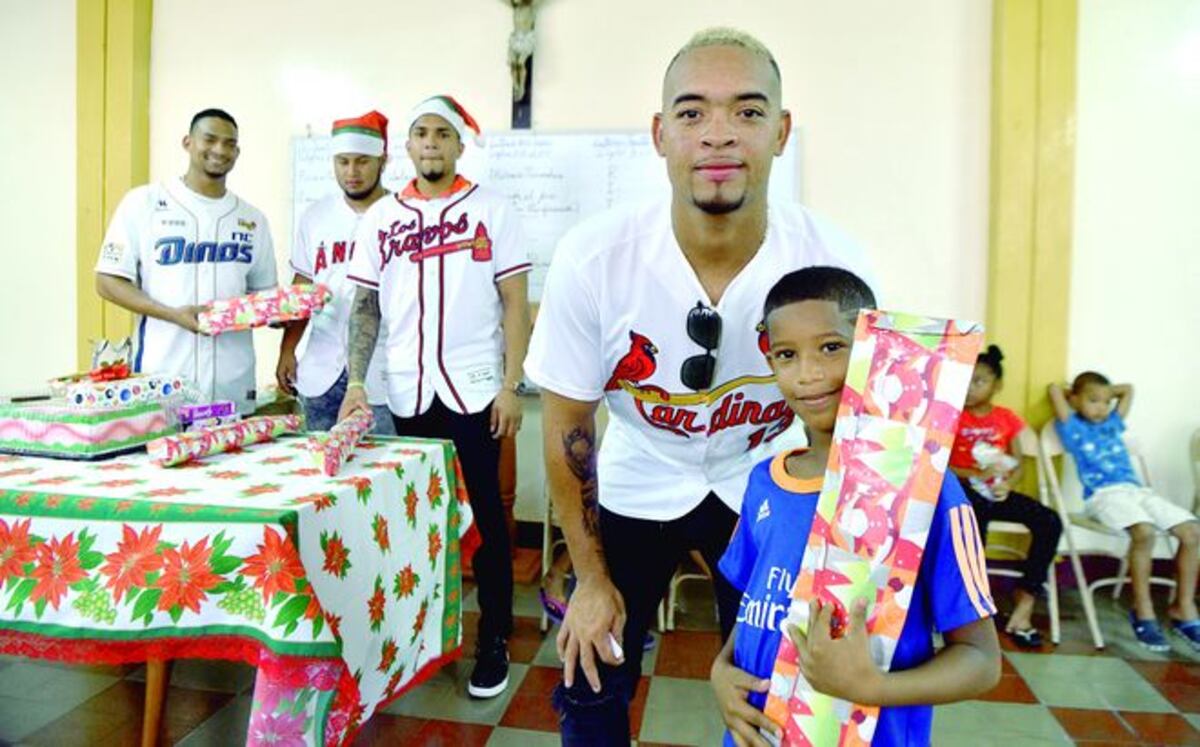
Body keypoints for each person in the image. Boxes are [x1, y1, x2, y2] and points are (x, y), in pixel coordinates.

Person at [524, 28, 870, 742]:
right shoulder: (594, 257)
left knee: (775, 687)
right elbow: (569, 426)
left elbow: (862, 429)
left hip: (765, 475)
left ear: (781, 131)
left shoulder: (834, 261)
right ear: (659, 134)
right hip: (639, 471)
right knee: (591, 671)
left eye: (746, 112)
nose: (718, 135)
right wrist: (589, 578)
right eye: (692, 113)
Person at [710, 266, 1000, 747]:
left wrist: (871, 687)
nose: (809, 374)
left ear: (873, 348)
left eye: (830, 347)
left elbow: (982, 662)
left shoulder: (927, 488)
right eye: (787, 355)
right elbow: (755, 609)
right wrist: (721, 673)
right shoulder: (766, 481)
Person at [339, 94, 532, 698]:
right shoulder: (382, 220)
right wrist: (355, 381)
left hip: (476, 393)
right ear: (408, 145)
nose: (430, 144)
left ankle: (492, 638)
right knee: (420, 522)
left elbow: (515, 304)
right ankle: (419, 637)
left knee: (491, 527)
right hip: (410, 393)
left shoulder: (492, 209)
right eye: (420, 133)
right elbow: (364, 305)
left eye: (441, 134)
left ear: (458, 144)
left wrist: (510, 385)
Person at [95, 108, 277, 414]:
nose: (219, 150)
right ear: (188, 142)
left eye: (229, 143)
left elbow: (265, 297)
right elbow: (107, 281)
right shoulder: (144, 203)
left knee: (232, 463)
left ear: (237, 152)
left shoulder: (252, 219)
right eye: (210, 139)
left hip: (232, 385)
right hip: (162, 381)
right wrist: (172, 314)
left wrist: (288, 310)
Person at [1049, 373, 1200, 652]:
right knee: (1143, 531)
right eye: (1093, 401)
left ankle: (1184, 606)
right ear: (1075, 400)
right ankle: (1142, 610)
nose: (1101, 407)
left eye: (1106, 402)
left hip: (1137, 491)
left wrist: (1101, 393)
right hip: (1103, 496)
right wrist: (1077, 394)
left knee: (1192, 532)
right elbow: (1054, 391)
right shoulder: (1071, 427)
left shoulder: (1113, 424)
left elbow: (1128, 389)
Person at [276, 110, 395, 434]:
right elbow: (303, 287)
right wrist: (288, 349)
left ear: (383, 161)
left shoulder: (401, 215)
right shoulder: (316, 217)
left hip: (383, 371)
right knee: (321, 470)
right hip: (320, 368)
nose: (352, 172)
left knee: (385, 470)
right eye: (343, 162)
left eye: (362, 162)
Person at [949, 345, 1062, 648]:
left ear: (996, 385)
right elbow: (940, 464)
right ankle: (970, 607)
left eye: (980, 381)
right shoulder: (952, 416)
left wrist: (1007, 484)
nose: (971, 388)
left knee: (1050, 521)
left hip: (997, 491)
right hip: (964, 492)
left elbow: (1017, 462)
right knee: (973, 521)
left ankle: (1025, 599)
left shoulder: (1006, 418)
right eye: (966, 380)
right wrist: (973, 476)